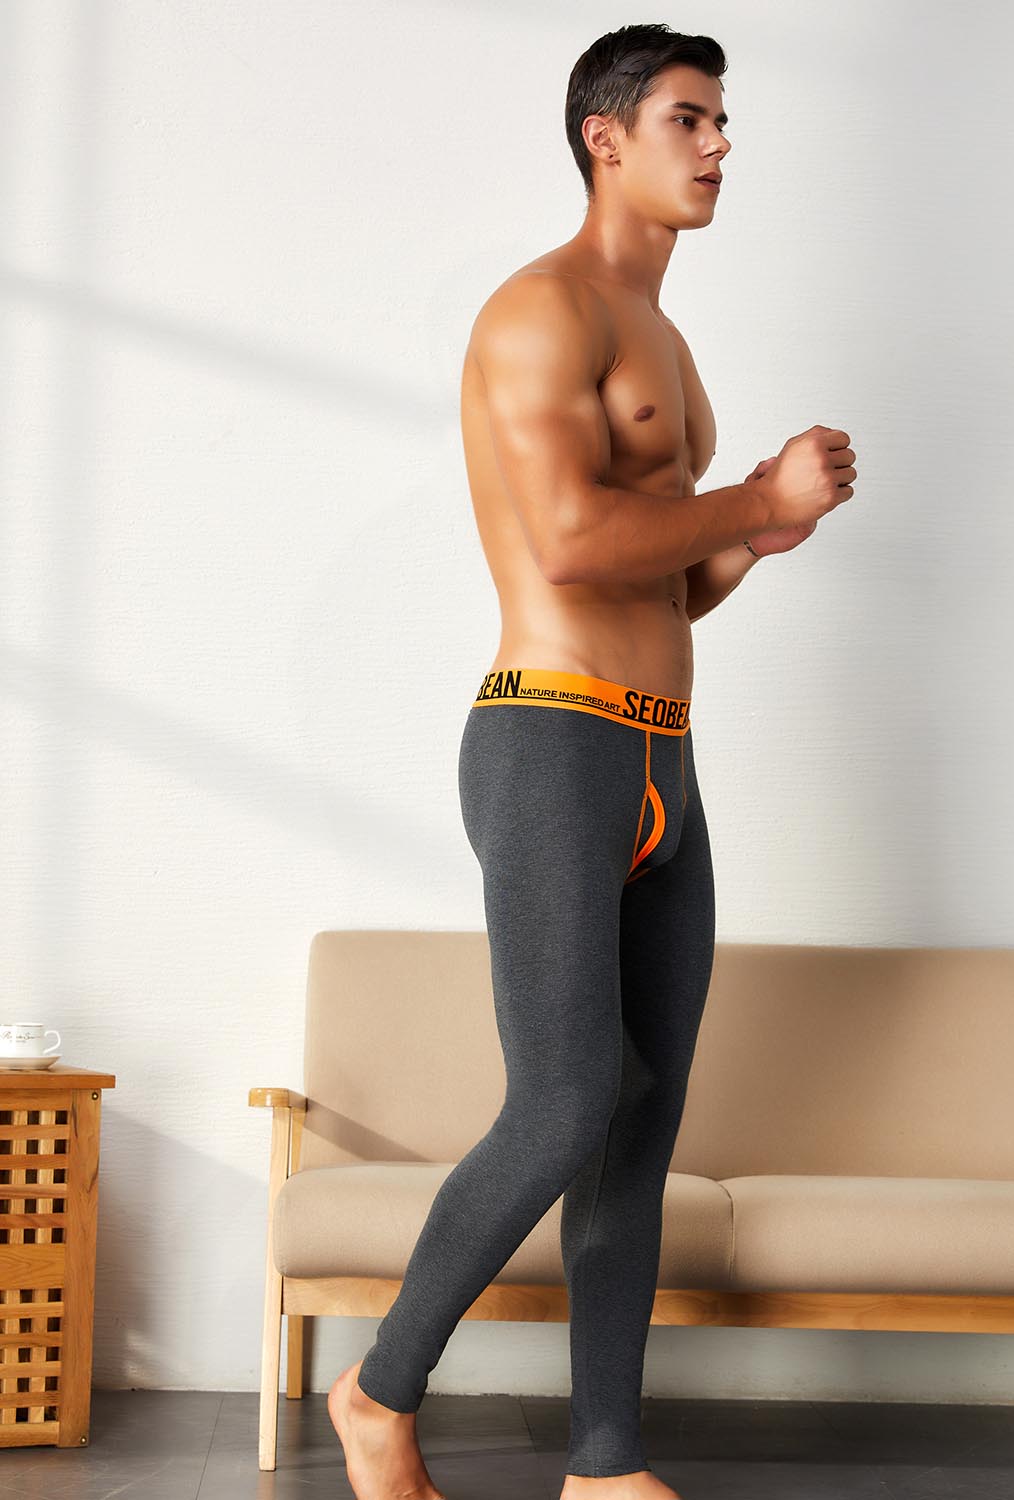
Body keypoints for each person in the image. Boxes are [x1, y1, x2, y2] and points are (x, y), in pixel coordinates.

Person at [327, 22, 856, 1500]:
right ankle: (377, 1392)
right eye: (690, 118)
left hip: (661, 760)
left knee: (638, 1120)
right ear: (604, 136)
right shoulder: (539, 310)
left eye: (723, 120)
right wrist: (748, 492)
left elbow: (665, 588)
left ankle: (606, 1465)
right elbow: (567, 541)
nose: (720, 144)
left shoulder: (665, 344)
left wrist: (760, 536)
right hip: (550, 742)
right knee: (562, 1102)